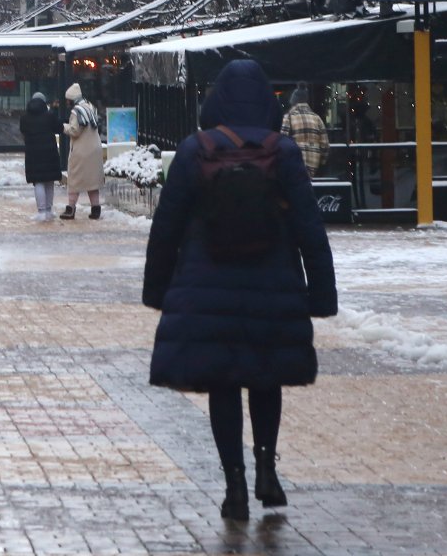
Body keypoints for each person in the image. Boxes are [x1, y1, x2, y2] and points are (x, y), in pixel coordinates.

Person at [143, 59, 336, 523]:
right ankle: (266, 468)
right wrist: (322, 295)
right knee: (265, 380)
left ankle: (234, 487)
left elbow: (165, 227)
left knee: (223, 386)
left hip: (207, 287)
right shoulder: (283, 152)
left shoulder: (195, 151)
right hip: (273, 284)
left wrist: (158, 290)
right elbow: (311, 226)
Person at [61, 84, 105, 220]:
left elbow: (75, 131)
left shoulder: (76, 111)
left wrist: (63, 126)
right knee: (92, 181)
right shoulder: (90, 106)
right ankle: (95, 208)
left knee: (74, 180)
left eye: (67, 100)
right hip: (95, 150)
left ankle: (70, 208)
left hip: (81, 151)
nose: (67, 103)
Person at [19, 93, 65, 223]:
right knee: (49, 180)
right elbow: (59, 128)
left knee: (38, 181)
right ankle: (49, 210)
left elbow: (23, 131)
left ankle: (41, 211)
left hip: (33, 152)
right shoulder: (49, 115)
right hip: (49, 151)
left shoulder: (25, 118)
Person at [281, 85, 330, 176]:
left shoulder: (289, 117)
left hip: (295, 163)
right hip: (314, 164)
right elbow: (325, 145)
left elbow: (283, 142)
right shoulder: (317, 118)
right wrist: (322, 161)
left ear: (293, 102)